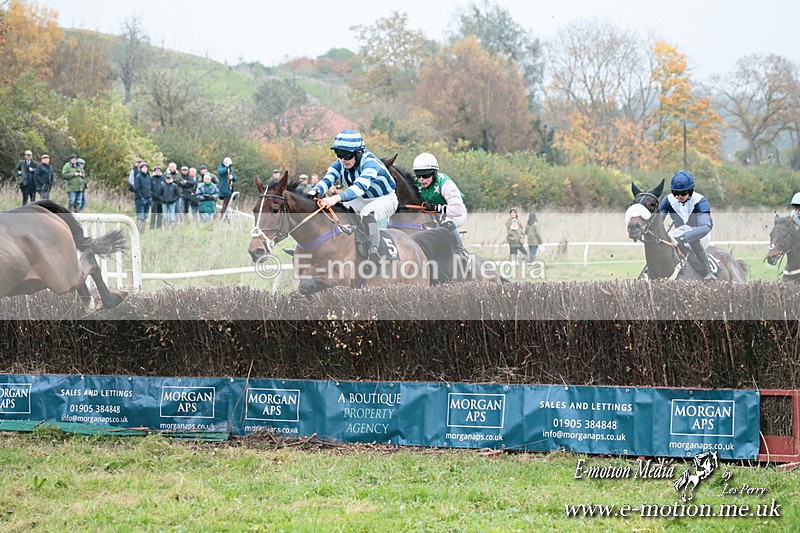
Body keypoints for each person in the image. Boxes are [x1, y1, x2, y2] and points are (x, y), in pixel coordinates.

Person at [307, 130, 398, 263]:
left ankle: (374, 252)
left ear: (359, 153)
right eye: (339, 154)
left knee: (367, 213)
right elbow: (327, 180)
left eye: (347, 155)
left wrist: (334, 198)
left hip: (385, 199)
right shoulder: (340, 163)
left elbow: (359, 187)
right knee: (338, 210)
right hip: (362, 199)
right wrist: (312, 193)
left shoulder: (370, 163)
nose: (343, 159)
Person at [412, 152, 469, 262]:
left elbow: (458, 209)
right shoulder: (417, 184)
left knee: (445, 220)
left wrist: (435, 208)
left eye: (425, 175)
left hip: (455, 214)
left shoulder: (445, 183)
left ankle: (461, 251)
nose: (421, 179)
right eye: (418, 175)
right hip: (432, 215)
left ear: (434, 174)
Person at [659, 170, 715, 280]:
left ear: (690, 191)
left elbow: (705, 227)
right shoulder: (668, 200)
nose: (679, 196)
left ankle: (707, 272)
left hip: (699, 235)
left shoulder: (700, 201)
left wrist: (686, 237)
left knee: (687, 241)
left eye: (683, 193)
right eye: (676, 193)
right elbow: (659, 219)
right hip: (678, 234)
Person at [133, 162, 153, 232]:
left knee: (145, 216)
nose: (145, 169)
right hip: (140, 199)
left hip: (148, 199)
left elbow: (150, 188)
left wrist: (150, 196)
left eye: (146, 167)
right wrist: (141, 197)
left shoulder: (148, 177)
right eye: (143, 168)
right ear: (140, 169)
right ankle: (137, 231)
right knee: (140, 217)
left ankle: (142, 231)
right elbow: (136, 188)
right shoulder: (138, 177)